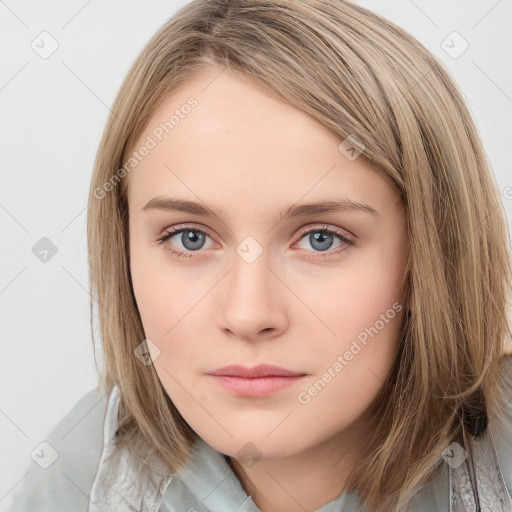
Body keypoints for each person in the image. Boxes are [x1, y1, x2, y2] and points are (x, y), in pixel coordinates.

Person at [9, 0, 512, 511]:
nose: (248, 314)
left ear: (431, 257)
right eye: (190, 238)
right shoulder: (78, 478)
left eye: (321, 238)